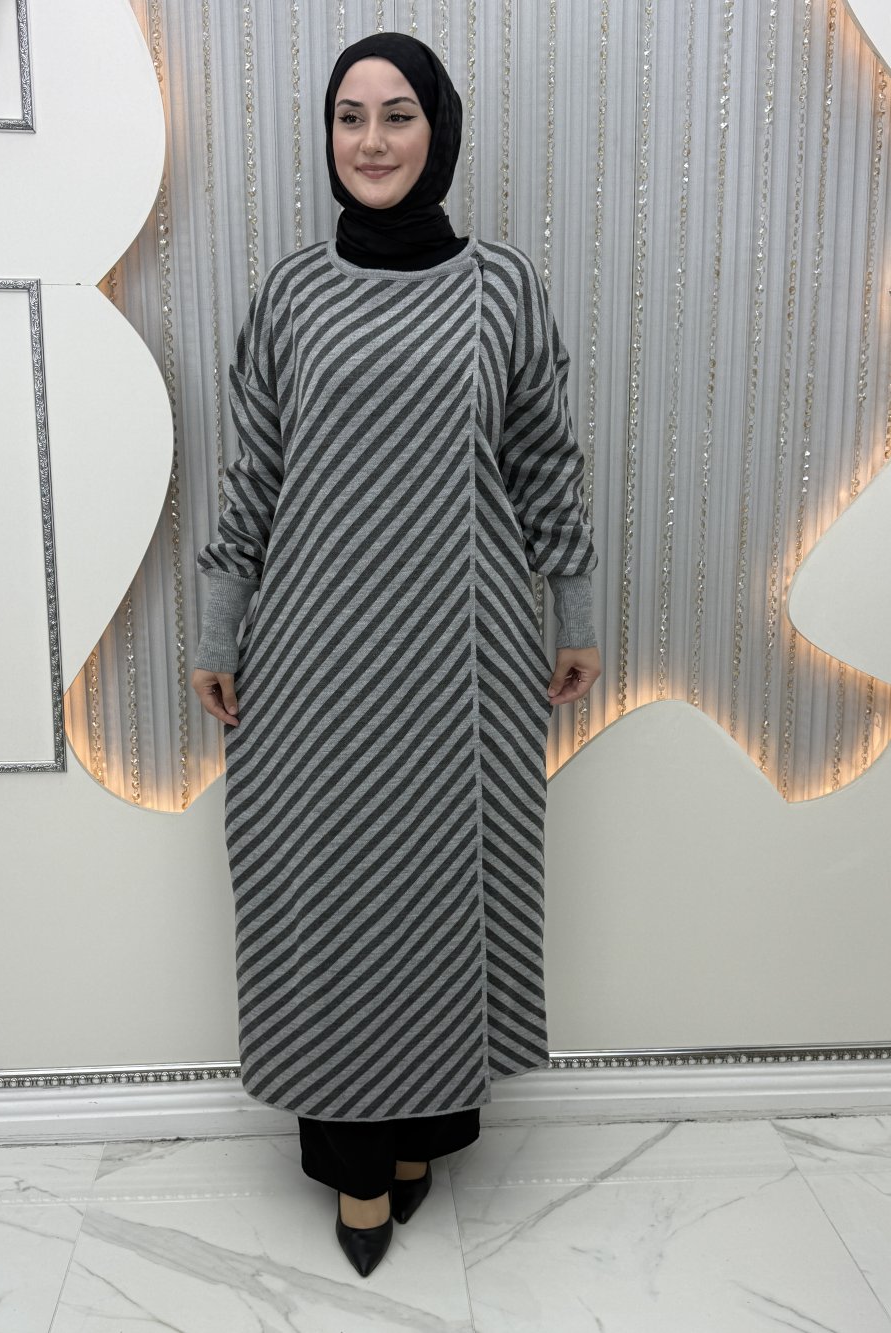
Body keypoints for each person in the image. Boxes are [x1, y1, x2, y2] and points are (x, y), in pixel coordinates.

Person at [191, 31, 601, 1277]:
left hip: (462, 659)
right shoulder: (290, 293)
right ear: (328, 135)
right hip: (311, 661)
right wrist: (218, 624)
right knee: (329, 894)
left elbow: (543, 458)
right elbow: (254, 469)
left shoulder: (502, 288)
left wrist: (575, 611)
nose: (370, 140)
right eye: (349, 116)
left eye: (397, 114)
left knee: (439, 897)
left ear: (439, 130)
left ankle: (422, 1137)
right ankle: (356, 1168)